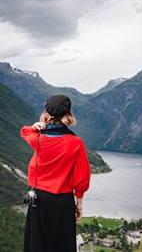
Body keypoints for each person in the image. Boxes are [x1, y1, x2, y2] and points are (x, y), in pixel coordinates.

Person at [20, 94, 91, 252]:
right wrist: (79, 206)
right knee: (62, 244)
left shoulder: (37, 138)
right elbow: (82, 178)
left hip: (38, 199)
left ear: (46, 113)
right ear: (69, 115)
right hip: (63, 202)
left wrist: (35, 126)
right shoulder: (76, 143)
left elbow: (24, 132)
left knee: (37, 245)